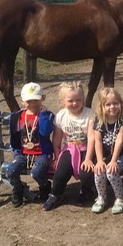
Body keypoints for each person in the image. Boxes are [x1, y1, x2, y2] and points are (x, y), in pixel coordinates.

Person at [42, 81, 95, 211]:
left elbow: (93, 138)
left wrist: (88, 158)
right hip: (69, 149)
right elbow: (57, 138)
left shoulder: (90, 115)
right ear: (62, 101)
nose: (75, 103)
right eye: (70, 100)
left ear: (83, 99)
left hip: (87, 149)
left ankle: (86, 190)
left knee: (86, 173)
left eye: (79, 100)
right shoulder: (61, 115)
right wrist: (56, 157)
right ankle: (56, 194)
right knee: (60, 172)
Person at [6, 82, 55, 207]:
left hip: (41, 154)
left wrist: (43, 115)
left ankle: (44, 186)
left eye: (36, 100)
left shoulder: (47, 115)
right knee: (10, 171)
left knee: (37, 172)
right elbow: (14, 135)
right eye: (29, 101)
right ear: (22, 100)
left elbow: (45, 132)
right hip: (23, 154)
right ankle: (18, 188)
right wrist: (17, 152)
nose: (33, 104)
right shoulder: (17, 116)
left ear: (42, 99)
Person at [91, 88, 123, 214]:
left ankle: (120, 198)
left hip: (121, 155)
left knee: (111, 172)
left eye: (115, 103)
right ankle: (101, 197)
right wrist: (99, 160)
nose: (112, 107)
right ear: (101, 106)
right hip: (104, 155)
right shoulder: (98, 120)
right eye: (108, 104)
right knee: (99, 171)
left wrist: (113, 160)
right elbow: (97, 141)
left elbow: (120, 139)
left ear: (120, 103)